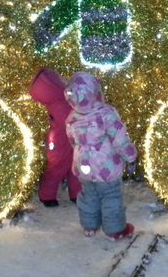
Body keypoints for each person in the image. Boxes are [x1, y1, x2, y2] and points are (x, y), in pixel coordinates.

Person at [65, 71, 137, 240]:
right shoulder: (107, 114)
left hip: (84, 166)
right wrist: (131, 157)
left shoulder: (72, 117)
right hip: (106, 167)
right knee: (111, 197)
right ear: (96, 93)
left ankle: (89, 226)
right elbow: (120, 140)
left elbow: (72, 141)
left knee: (89, 196)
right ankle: (115, 230)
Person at [29, 68, 81, 206]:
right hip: (61, 139)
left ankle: (75, 194)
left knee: (74, 166)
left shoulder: (64, 96)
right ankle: (47, 195)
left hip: (71, 137)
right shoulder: (60, 96)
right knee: (58, 167)